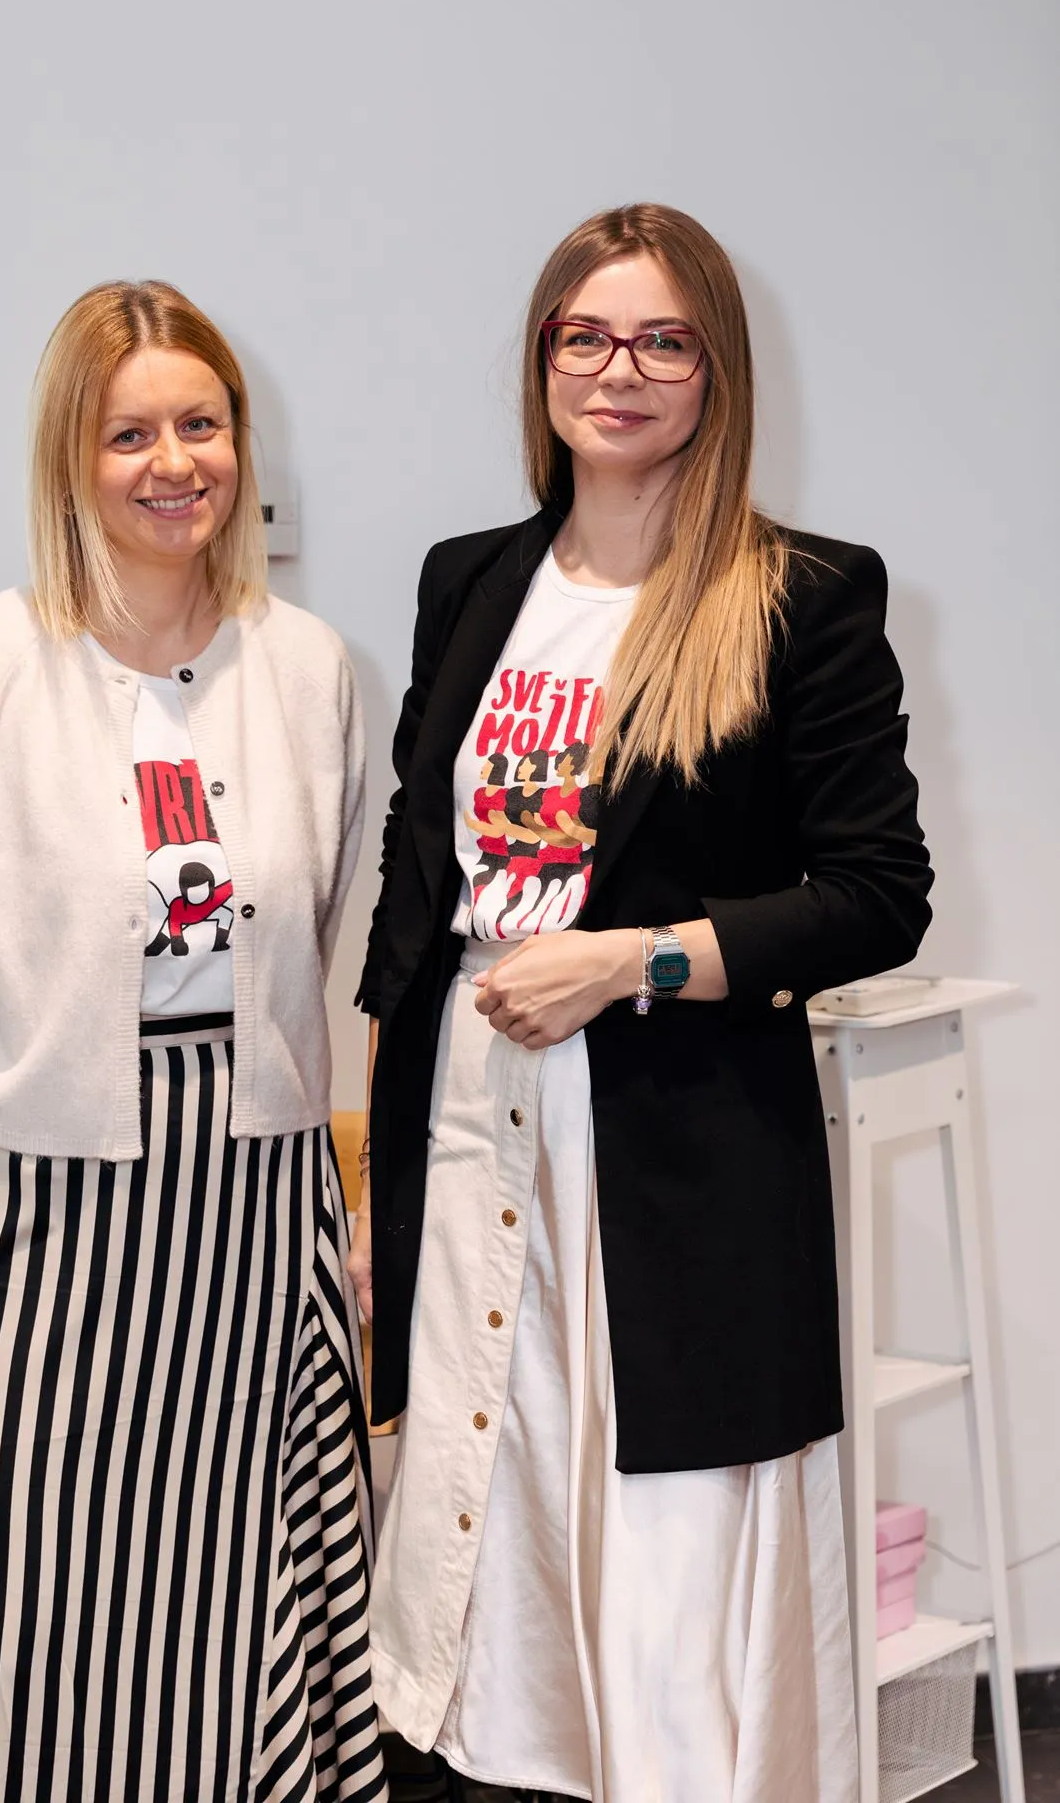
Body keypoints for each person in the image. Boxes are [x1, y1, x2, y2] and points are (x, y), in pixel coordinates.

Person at [349, 205, 933, 1803]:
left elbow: (878, 893)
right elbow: (418, 887)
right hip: (471, 1133)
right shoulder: (472, 580)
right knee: (485, 1571)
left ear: (715, 369)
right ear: (542, 359)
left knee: (666, 1608)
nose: (621, 371)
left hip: (674, 1160)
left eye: (664, 341)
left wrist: (636, 958)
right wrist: (379, 1172)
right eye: (586, 336)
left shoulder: (800, 594)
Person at [0, 281, 387, 1803]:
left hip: (256, 1204)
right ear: (69, 459)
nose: (174, 463)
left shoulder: (311, 668)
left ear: (241, 441)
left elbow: (330, 948)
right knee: (48, 1615)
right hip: (44, 1220)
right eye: (129, 434)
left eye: (201, 425)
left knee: (246, 1611)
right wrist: (4, 1152)